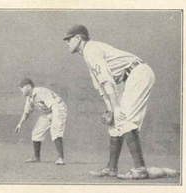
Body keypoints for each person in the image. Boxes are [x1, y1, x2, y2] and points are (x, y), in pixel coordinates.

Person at [64, 25, 155, 179]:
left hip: (137, 73)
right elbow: (102, 88)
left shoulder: (90, 50)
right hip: (127, 78)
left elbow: (107, 81)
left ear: (78, 38)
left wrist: (116, 108)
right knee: (115, 124)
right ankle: (111, 168)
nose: (67, 43)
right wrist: (111, 110)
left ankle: (140, 168)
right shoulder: (88, 54)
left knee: (124, 118)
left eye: (69, 39)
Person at [15, 78, 67, 165]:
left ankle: (61, 158)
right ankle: (36, 157)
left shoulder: (41, 92)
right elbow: (26, 112)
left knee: (55, 130)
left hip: (58, 108)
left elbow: (54, 105)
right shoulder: (29, 97)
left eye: (22, 87)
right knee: (36, 132)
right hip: (47, 112)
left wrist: (54, 117)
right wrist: (20, 123)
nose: (20, 89)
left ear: (28, 87)